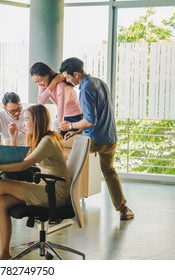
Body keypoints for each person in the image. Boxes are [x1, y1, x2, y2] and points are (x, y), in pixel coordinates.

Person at [0, 104, 69, 260]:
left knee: (2, 184)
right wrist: (13, 137)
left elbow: (23, 165)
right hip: (46, 188)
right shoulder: (41, 139)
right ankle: (4, 253)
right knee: (2, 202)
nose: (23, 123)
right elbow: (17, 157)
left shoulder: (47, 141)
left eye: (26, 119)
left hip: (54, 193)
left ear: (36, 121)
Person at [58, 57, 134, 221]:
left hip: (93, 140)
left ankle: (61, 204)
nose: (68, 81)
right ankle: (123, 209)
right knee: (109, 171)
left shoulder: (85, 89)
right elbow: (98, 116)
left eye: (68, 77)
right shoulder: (100, 83)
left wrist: (70, 127)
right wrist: (78, 131)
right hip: (110, 137)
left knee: (56, 147)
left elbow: (90, 121)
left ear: (76, 74)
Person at [30, 62, 83, 136]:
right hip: (62, 116)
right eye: (35, 82)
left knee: (63, 141)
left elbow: (61, 109)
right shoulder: (43, 84)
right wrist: (53, 82)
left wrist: (57, 132)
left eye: (40, 80)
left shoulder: (61, 86)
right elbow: (41, 102)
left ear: (47, 75)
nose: (39, 84)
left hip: (75, 117)